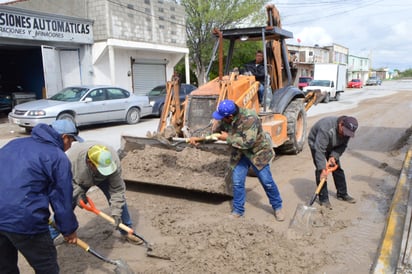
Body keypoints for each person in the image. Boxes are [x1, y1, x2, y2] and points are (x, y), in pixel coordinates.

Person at [0, 120, 81, 274]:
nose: (70, 146)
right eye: (72, 141)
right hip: (24, 219)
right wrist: (69, 230)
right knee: (46, 267)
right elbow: (61, 199)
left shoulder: (14, 144)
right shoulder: (57, 156)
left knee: (5, 267)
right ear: (65, 137)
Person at [190, 99, 284, 221]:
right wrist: (199, 139)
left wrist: (228, 138)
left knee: (267, 182)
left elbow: (248, 143)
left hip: (257, 153)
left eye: (222, 117)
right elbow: (215, 134)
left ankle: (278, 207)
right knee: (238, 182)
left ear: (230, 116)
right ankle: (238, 210)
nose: (220, 120)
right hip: (240, 154)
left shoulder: (250, 118)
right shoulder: (225, 119)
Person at [49, 141, 143, 245]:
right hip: (79, 180)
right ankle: (49, 236)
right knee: (65, 207)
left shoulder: (113, 161)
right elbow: (67, 183)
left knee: (120, 202)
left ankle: (126, 231)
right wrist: (78, 194)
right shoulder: (71, 161)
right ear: (90, 163)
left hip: (105, 179)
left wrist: (116, 212)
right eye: (101, 168)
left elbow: (117, 190)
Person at [308, 116, 359, 209]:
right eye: (344, 131)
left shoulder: (347, 132)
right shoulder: (326, 127)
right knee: (321, 171)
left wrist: (333, 156)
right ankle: (324, 199)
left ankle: (342, 194)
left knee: (337, 168)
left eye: (347, 133)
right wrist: (322, 169)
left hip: (333, 145)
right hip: (316, 143)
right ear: (340, 124)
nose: (345, 134)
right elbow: (319, 149)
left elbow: (343, 145)